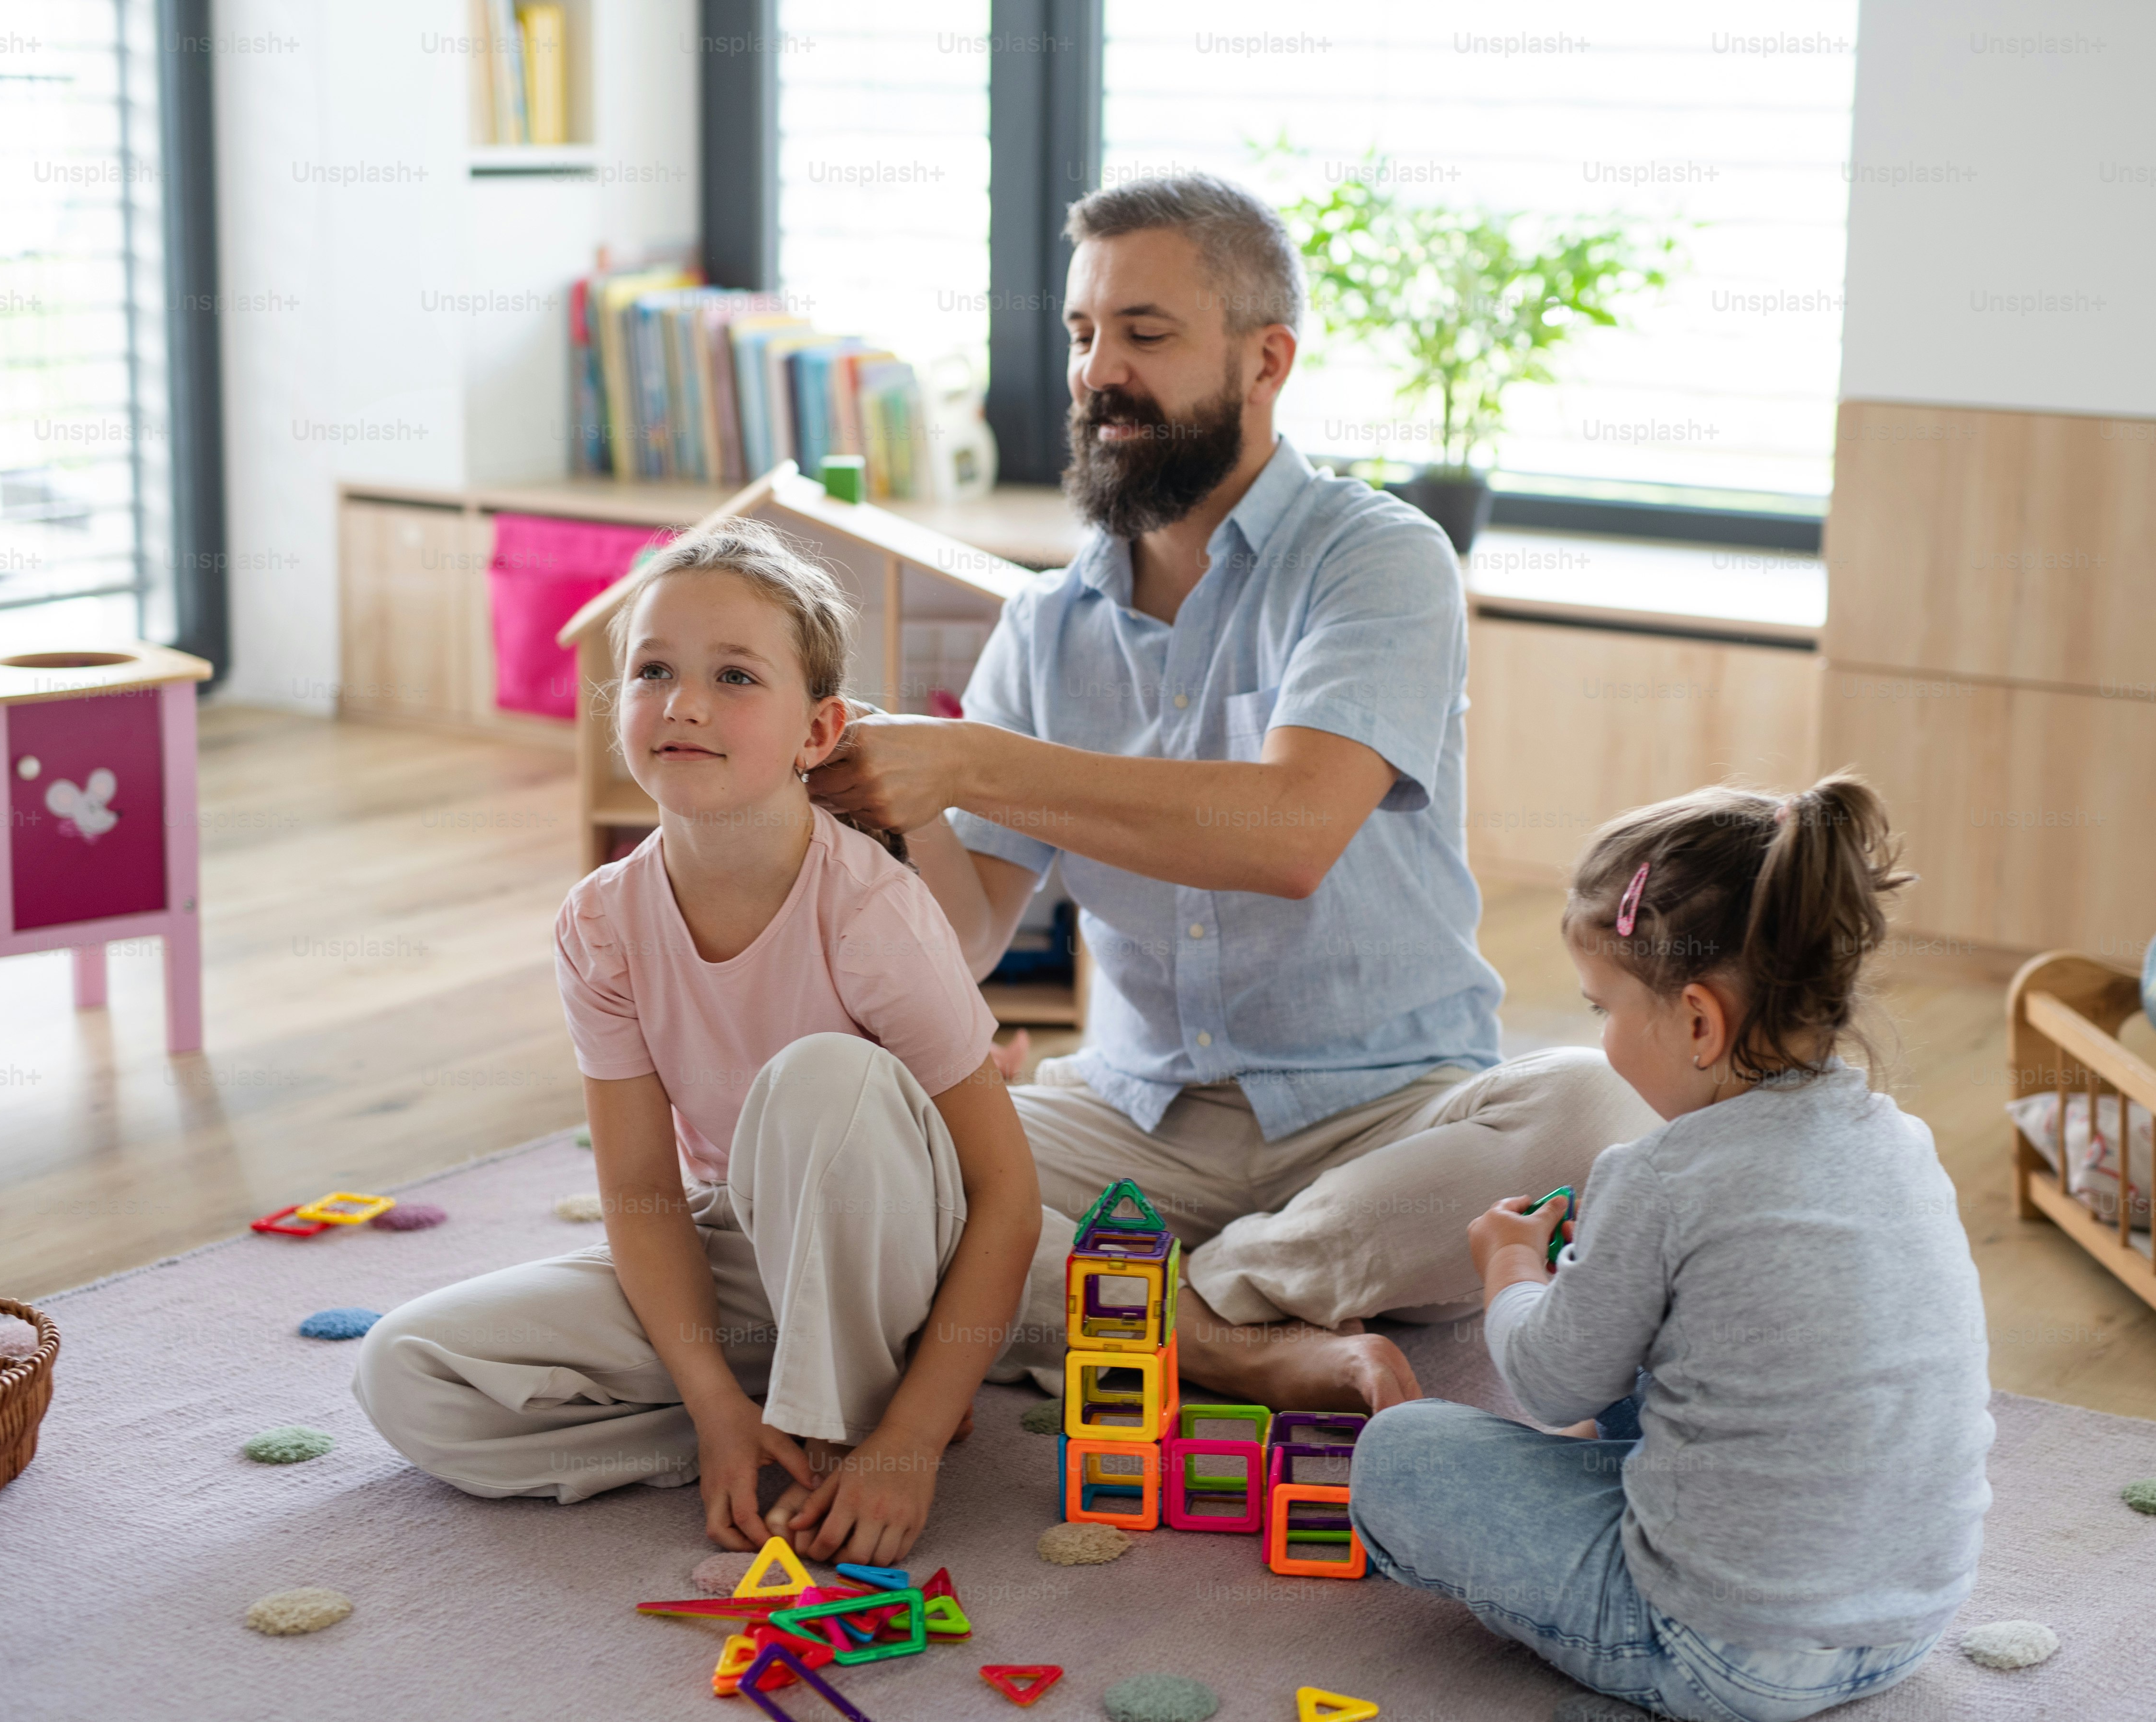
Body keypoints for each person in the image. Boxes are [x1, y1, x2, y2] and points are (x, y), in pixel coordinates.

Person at [808, 171, 1656, 1413]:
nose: (1100, 372)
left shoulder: (1379, 560)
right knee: (837, 1144)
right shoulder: (1044, 626)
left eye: (1145, 335)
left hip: (1385, 1117)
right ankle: (1235, 1333)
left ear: (1267, 362)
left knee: (1597, 1107)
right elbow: (971, 931)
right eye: (1084, 335)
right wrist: (884, 819)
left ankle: (1144, 1302)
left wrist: (970, 761)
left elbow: (1290, 831)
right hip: (1133, 1119)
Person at [352, 520, 1042, 1566]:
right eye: (653, 670)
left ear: (819, 733)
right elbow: (639, 1187)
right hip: (746, 1253)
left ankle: (876, 1422)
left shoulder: (873, 911)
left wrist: (910, 1444)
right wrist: (713, 1402)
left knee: (821, 1079)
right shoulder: (600, 923)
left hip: (904, 1255)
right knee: (408, 1369)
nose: (683, 702)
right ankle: (765, 1427)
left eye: (733, 675)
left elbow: (1007, 1194)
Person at [1346, 776, 1995, 1722]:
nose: (1600, 1036)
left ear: (1697, 1020)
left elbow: (1549, 1382)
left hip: (1724, 1653)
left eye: (1603, 1007)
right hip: (1911, 1618)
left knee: (1399, 1452)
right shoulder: (1901, 1138)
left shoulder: (1661, 1176)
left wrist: (1510, 1266)